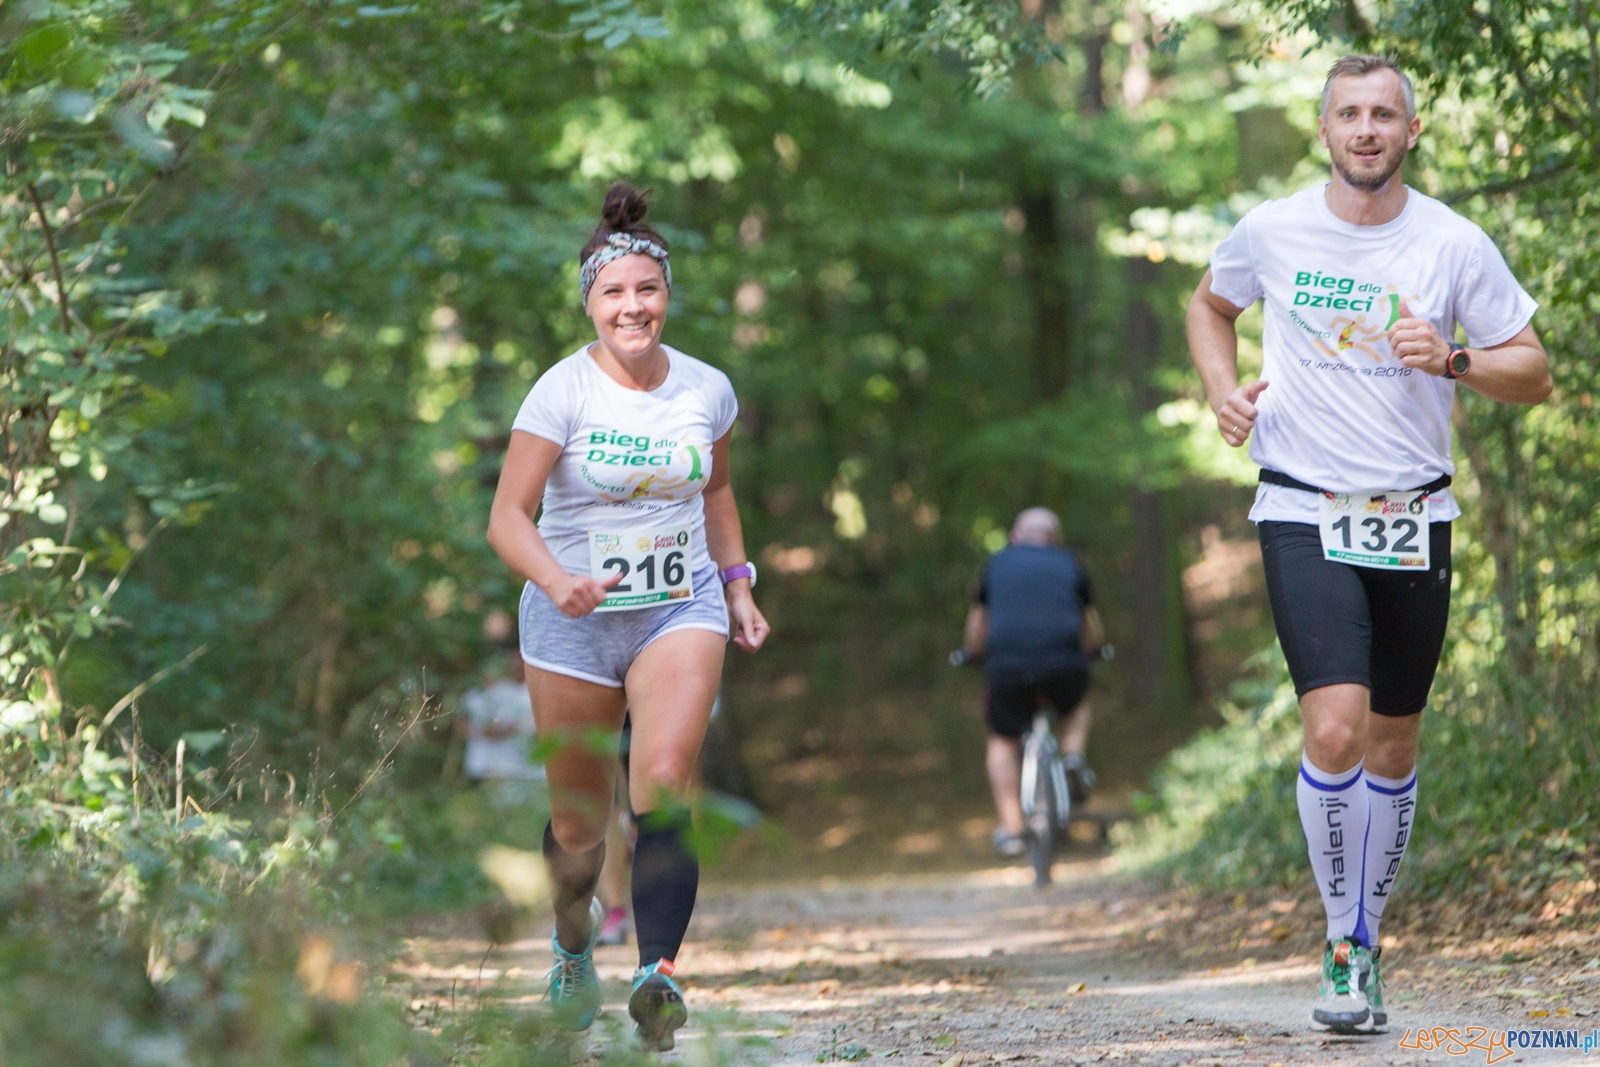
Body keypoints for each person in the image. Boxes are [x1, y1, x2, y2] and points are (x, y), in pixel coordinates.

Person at [1186, 55, 1551, 1035]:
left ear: (1410, 131)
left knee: (1392, 739)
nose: (1365, 128)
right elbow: (1208, 303)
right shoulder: (1270, 231)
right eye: (1347, 112)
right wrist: (1220, 389)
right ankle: (1341, 943)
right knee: (1336, 726)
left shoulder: (1451, 242)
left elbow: (1535, 369)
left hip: (1412, 515)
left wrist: (1459, 357)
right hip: (1302, 505)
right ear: (1323, 130)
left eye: (1382, 113)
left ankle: (1366, 932)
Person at [487, 180, 770, 1049]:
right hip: (572, 618)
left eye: (646, 289)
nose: (632, 305)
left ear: (667, 296)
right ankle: (574, 949)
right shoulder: (561, 393)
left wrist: (736, 585)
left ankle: (657, 974)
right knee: (579, 819)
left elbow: (716, 489)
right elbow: (506, 517)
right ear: (590, 303)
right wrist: (557, 578)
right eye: (614, 292)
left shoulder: (706, 389)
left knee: (665, 778)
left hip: (677, 606)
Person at [961, 507, 1104, 857]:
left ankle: (1013, 831)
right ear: (1055, 539)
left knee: (1002, 741)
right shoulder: (1069, 564)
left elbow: (979, 622)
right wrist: (1095, 650)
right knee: (1076, 707)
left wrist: (970, 653)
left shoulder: (996, 565)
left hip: (1007, 665)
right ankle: (1071, 758)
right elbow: (1089, 623)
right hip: (1063, 663)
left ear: (1015, 537)